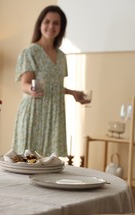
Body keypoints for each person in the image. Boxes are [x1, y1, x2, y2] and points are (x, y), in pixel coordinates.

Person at [12, 5, 90, 157]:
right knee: (27, 162)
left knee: (49, 165)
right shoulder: (30, 52)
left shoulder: (61, 56)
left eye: (56, 23)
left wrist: (73, 93)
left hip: (54, 114)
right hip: (34, 113)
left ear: (61, 27)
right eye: (47, 21)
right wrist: (31, 89)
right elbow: (24, 84)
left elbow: (54, 86)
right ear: (40, 24)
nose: (51, 26)